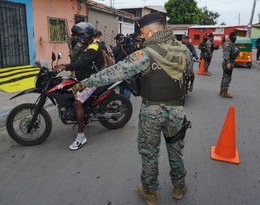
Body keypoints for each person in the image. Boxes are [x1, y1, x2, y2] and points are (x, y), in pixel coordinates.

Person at [70, 13, 192, 204]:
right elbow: (188, 74)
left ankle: (150, 193)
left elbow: (114, 72)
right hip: (176, 111)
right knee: (175, 149)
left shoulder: (145, 54)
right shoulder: (184, 50)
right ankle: (179, 186)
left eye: (143, 33)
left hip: (152, 111)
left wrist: (85, 82)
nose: (141, 37)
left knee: (149, 153)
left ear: (151, 31)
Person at [56, 22, 103, 150]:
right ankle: (85, 117)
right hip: (84, 79)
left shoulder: (93, 47)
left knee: (77, 103)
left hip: (91, 80)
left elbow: (82, 63)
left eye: (81, 35)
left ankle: (81, 137)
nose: (79, 38)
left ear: (88, 35)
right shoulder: (86, 45)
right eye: (78, 36)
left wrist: (66, 66)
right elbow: (76, 58)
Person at [112, 33, 134, 99]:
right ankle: (127, 102)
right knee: (128, 88)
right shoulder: (130, 48)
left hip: (119, 71)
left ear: (118, 41)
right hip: (129, 71)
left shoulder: (115, 49)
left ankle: (123, 102)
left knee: (121, 87)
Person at [220, 32, 239, 98]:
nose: (235, 38)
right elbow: (226, 54)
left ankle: (222, 91)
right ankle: (224, 92)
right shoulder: (228, 44)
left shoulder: (232, 44)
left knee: (225, 76)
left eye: (235, 37)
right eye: (234, 37)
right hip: (227, 63)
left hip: (230, 62)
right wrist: (228, 63)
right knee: (227, 77)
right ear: (231, 37)